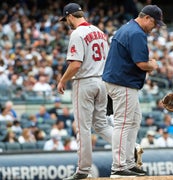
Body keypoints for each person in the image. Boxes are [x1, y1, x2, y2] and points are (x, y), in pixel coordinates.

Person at [102, 4, 164, 178]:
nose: (155, 27)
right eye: (155, 23)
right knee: (123, 123)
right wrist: (153, 64)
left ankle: (128, 162)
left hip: (120, 81)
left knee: (134, 120)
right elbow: (142, 63)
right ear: (146, 18)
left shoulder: (128, 28)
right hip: (123, 83)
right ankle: (119, 166)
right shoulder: (136, 32)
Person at [57, 3, 113, 180]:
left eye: (66, 19)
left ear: (70, 16)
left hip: (85, 82)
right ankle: (131, 148)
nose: (67, 22)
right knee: (102, 124)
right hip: (102, 81)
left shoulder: (77, 33)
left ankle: (83, 171)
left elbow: (75, 64)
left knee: (83, 129)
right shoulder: (99, 31)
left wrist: (62, 80)